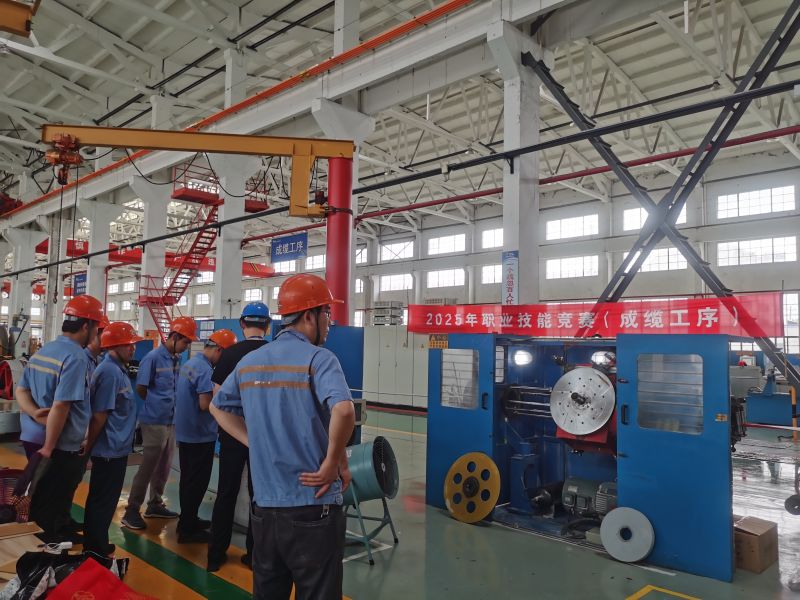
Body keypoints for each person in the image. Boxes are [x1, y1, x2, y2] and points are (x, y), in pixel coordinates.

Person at [211, 274, 355, 600]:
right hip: (313, 508)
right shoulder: (319, 359)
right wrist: (332, 461)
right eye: (327, 313)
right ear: (309, 316)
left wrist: (252, 440)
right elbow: (344, 411)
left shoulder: (250, 362)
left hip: (265, 510)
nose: (330, 322)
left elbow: (218, 407)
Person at [15, 295, 106, 543]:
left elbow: (21, 391)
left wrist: (34, 413)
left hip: (32, 436)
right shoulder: (76, 357)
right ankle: (47, 549)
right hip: (59, 445)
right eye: (97, 327)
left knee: (41, 496)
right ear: (86, 326)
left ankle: (45, 540)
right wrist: (49, 446)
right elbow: (61, 405)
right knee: (51, 502)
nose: (96, 333)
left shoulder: (45, 350)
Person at [207, 301, 271, 572]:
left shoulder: (230, 354)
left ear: (242, 324)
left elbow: (217, 398)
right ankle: (255, 555)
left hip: (233, 433)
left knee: (226, 492)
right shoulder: (273, 353)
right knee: (259, 495)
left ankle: (215, 555)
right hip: (263, 437)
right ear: (268, 326)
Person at [122, 316, 196, 530]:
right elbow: (141, 388)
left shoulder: (176, 359)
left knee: (164, 466)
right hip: (154, 420)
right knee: (148, 467)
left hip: (171, 420)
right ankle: (131, 510)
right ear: (174, 337)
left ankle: (155, 504)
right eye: (185, 342)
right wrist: (156, 404)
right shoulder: (153, 358)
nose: (186, 347)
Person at [83, 322, 144, 555]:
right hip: (108, 450)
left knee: (106, 500)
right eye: (128, 344)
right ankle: (94, 549)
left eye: (133, 344)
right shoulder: (109, 372)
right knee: (102, 501)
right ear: (113, 345)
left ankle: (97, 542)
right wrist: (88, 448)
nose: (132, 348)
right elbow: (100, 415)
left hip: (117, 449)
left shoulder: (117, 370)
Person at [175, 328, 237, 544]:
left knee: (187, 480)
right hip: (199, 435)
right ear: (219, 350)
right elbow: (204, 404)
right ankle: (187, 530)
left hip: (186, 432)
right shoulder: (204, 370)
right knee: (197, 483)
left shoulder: (191, 363)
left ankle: (187, 519)